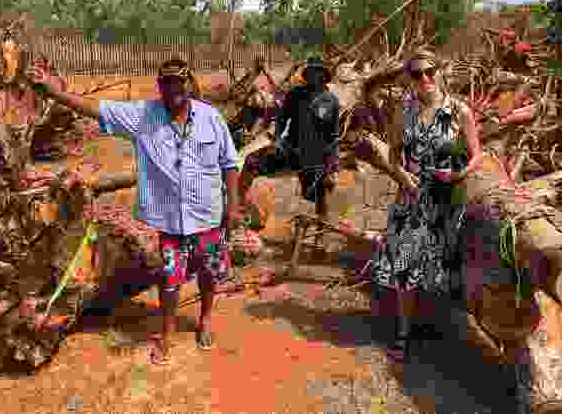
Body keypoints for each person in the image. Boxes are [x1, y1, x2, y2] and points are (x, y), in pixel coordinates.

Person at [28, 57, 243, 365]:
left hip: (208, 215)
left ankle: (205, 319)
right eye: (166, 83)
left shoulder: (211, 118)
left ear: (190, 84)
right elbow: (95, 108)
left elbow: (230, 164)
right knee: (170, 280)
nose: (173, 89)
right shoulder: (143, 116)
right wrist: (51, 90)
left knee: (210, 272)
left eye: (179, 82)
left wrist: (233, 207)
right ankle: (167, 334)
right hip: (171, 221)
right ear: (160, 87)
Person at [370, 48, 483, 361]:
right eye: (417, 73)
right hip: (410, 199)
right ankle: (404, 333)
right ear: (409, 77)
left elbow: (477, 155)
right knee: (405, 268)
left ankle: (442, 331)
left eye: (430, 71)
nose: (425, 78)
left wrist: (459, 173)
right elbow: (392, 154)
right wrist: (403, 176)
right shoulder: (403, 111)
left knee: (444, 266)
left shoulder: (459, 111)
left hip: (446, 200)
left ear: (440, 71)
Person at [239, 57, 340, 219]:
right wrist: (277, 140)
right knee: (251, 161)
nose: (314, 75)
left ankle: (322, 230)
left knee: (321, 193)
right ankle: (237, 206)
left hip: (316, 158)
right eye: (311, 72)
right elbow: (281, 119)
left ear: (323, 75)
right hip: (290, 149)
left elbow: (333, 136)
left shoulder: (331, 102)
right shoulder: (295, 94)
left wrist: (333, 168)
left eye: (317, 72)